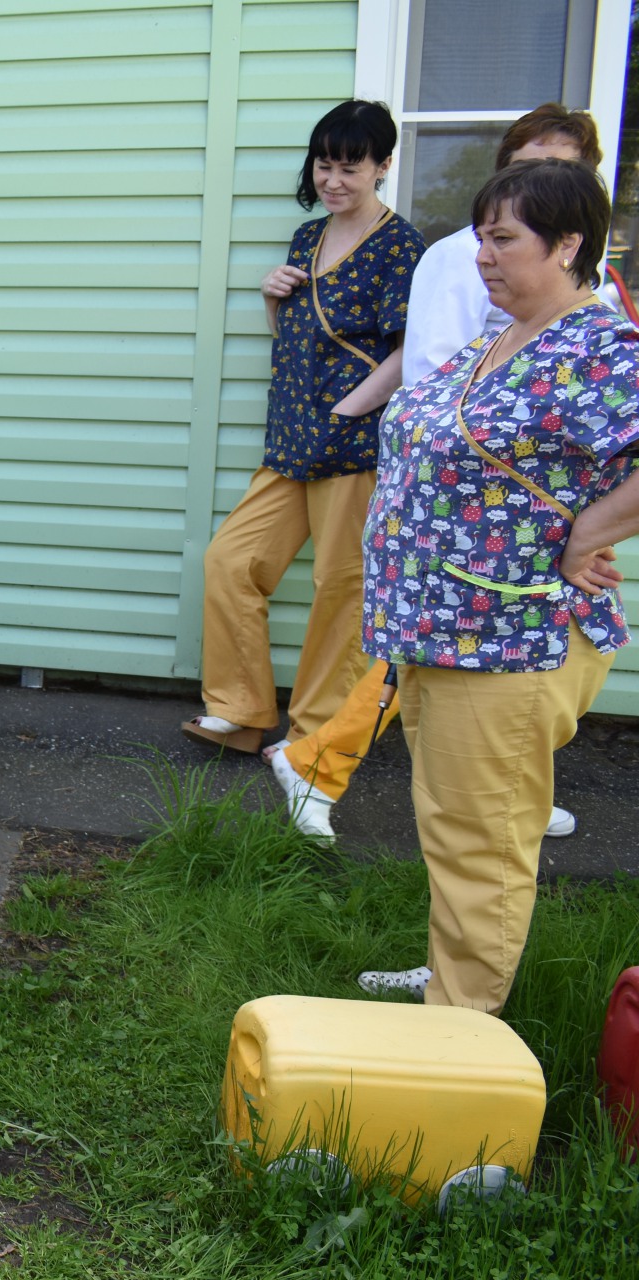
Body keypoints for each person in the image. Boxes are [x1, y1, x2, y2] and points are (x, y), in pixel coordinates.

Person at [268, 106, 614, 842]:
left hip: (537, 520)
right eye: (527, 165)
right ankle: (321, 761)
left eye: (564, 169)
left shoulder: (593, 287)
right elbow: (432, 377)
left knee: (500, 676)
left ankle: (507, 781)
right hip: (470, 512)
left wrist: (593, 522)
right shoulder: (462, 259)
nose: (544, 182)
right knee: (428, 659)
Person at [353, 159, 638, 1009]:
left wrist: (592, 529)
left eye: (504, 238)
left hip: (512, 639)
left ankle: (463, 1030)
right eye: (481, 235)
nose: (483, 254)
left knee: (485, 840)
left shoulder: (596, 345)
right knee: (453, 826)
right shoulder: (504, 332)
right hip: (448, 626)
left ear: (568, 243)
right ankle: (455, 975)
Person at [185, 101, 425, 754]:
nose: (334, 180)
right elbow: (298, 339)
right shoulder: (307, 238)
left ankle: (316, 738)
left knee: (339, 590)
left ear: (383, 167)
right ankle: (241, 709)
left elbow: (410, 353)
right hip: (291, 439)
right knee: (231, 561)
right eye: (325, 164)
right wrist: (271, 299)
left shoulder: (400, 246)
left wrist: (348, 410)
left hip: (351, 446)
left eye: (351, 167)